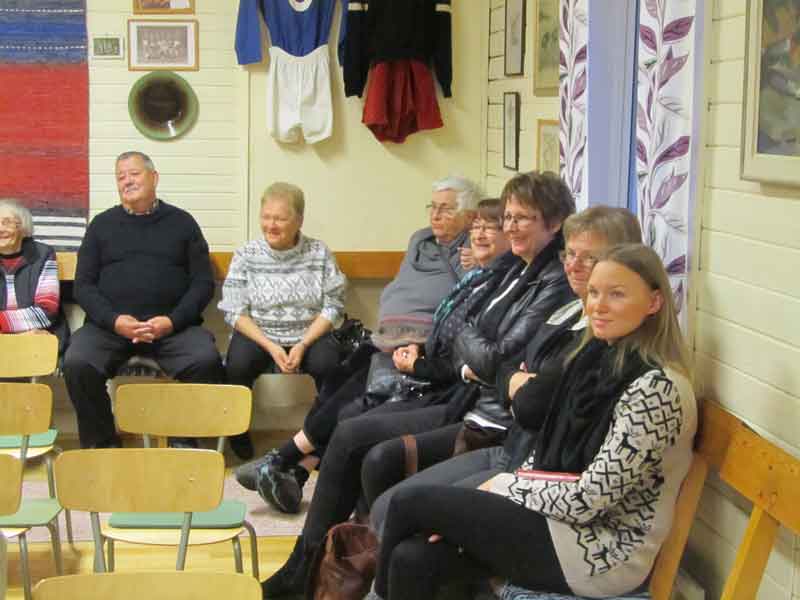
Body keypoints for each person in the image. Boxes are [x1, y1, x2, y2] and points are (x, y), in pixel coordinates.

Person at [261, 171, 576, 598]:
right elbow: (471, 339)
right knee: (353, 411)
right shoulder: (512, 268)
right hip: (457, 387)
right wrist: (452, 352)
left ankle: (326, 569)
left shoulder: (551, 279)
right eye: (508, 217)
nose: (509, 227)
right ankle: (310, 565)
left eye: (522, 218)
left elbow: (487, 354)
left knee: (360, 437)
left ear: (554, 224)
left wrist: (461, 348)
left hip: (479, 411)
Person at [372, 243, 696, 600]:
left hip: (601, 550)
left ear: (654, 302)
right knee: (412, 558)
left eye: (616, 294)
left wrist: (500, 488)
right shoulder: (592, 359)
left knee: (409, 503)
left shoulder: (657, 389)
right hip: (558, 522)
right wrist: (478, 507)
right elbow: (542, 456)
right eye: (593, 293)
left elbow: (590, 499)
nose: (598, 306)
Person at [365, 206, 644, 525]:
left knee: (398, 510)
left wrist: (507, 375)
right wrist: (512, 378)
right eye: (570, 254)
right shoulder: (565, 310)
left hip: (528, 460)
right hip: (505, 436)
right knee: (385, 496)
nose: (573, 265)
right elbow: (506, 369)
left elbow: (526, 398)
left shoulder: (599, 331)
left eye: (589, 258)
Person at [250, 198, 515, 514]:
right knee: (338, 380)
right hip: (400, 343)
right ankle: (295, 465)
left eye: (447, 209)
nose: (436, 215)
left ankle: (288, 460)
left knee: (354, 406)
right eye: (432, 206)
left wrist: (418, 358)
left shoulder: (476, 269)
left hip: (432, 370)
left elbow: (466, 348)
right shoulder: (424, 242)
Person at [63, 151, 224, 449]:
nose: (127, 181)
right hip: (110, 328)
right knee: (77, 362)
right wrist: (114, 321)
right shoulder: (101, 225)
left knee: (206, 360)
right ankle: (103, 446)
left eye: (134, 174)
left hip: (172, 328)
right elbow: (83, 286)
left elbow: (202, 284)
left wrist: (172, 321)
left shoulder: (183, 223)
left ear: (154, 177)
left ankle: (182, 443)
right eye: (120, 176)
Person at [219, 182, 347, 460]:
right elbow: (234, 310)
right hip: (259, 333)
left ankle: (320, 436)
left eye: (280, 218)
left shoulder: (319, 252)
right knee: (237, 365)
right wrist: (270, 346)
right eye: (266, 217)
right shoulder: (246, 254)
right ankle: (238, 432)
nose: (271, 225)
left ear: (299, 220)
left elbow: (333, 306)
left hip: (309, 333)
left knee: (330, 366)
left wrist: (303, 344)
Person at [0, 200, 66, 349]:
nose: (0, 229)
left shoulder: (43, 255)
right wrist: (17, 336)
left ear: (23, 227)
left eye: (7, 222)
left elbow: (46, 311)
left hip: (41, 336)